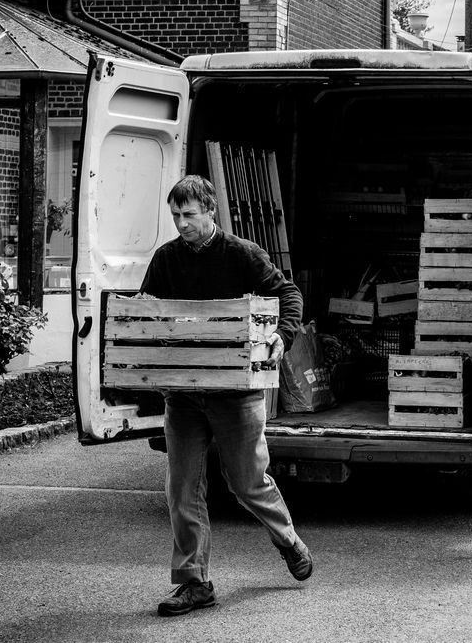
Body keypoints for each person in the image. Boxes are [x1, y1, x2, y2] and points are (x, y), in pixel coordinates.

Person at [139, 174, 313, 617]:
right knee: (182, 487)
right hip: (183, 395)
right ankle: (194, 582)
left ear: (210, 211)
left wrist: (281, 334)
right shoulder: (166, 259)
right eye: (175, 215)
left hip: (235, 393)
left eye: (189, 214)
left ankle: (288, 540)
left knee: (247, 483)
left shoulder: (242, 254)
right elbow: (146, 308)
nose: (181, 223)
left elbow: (288, 293)